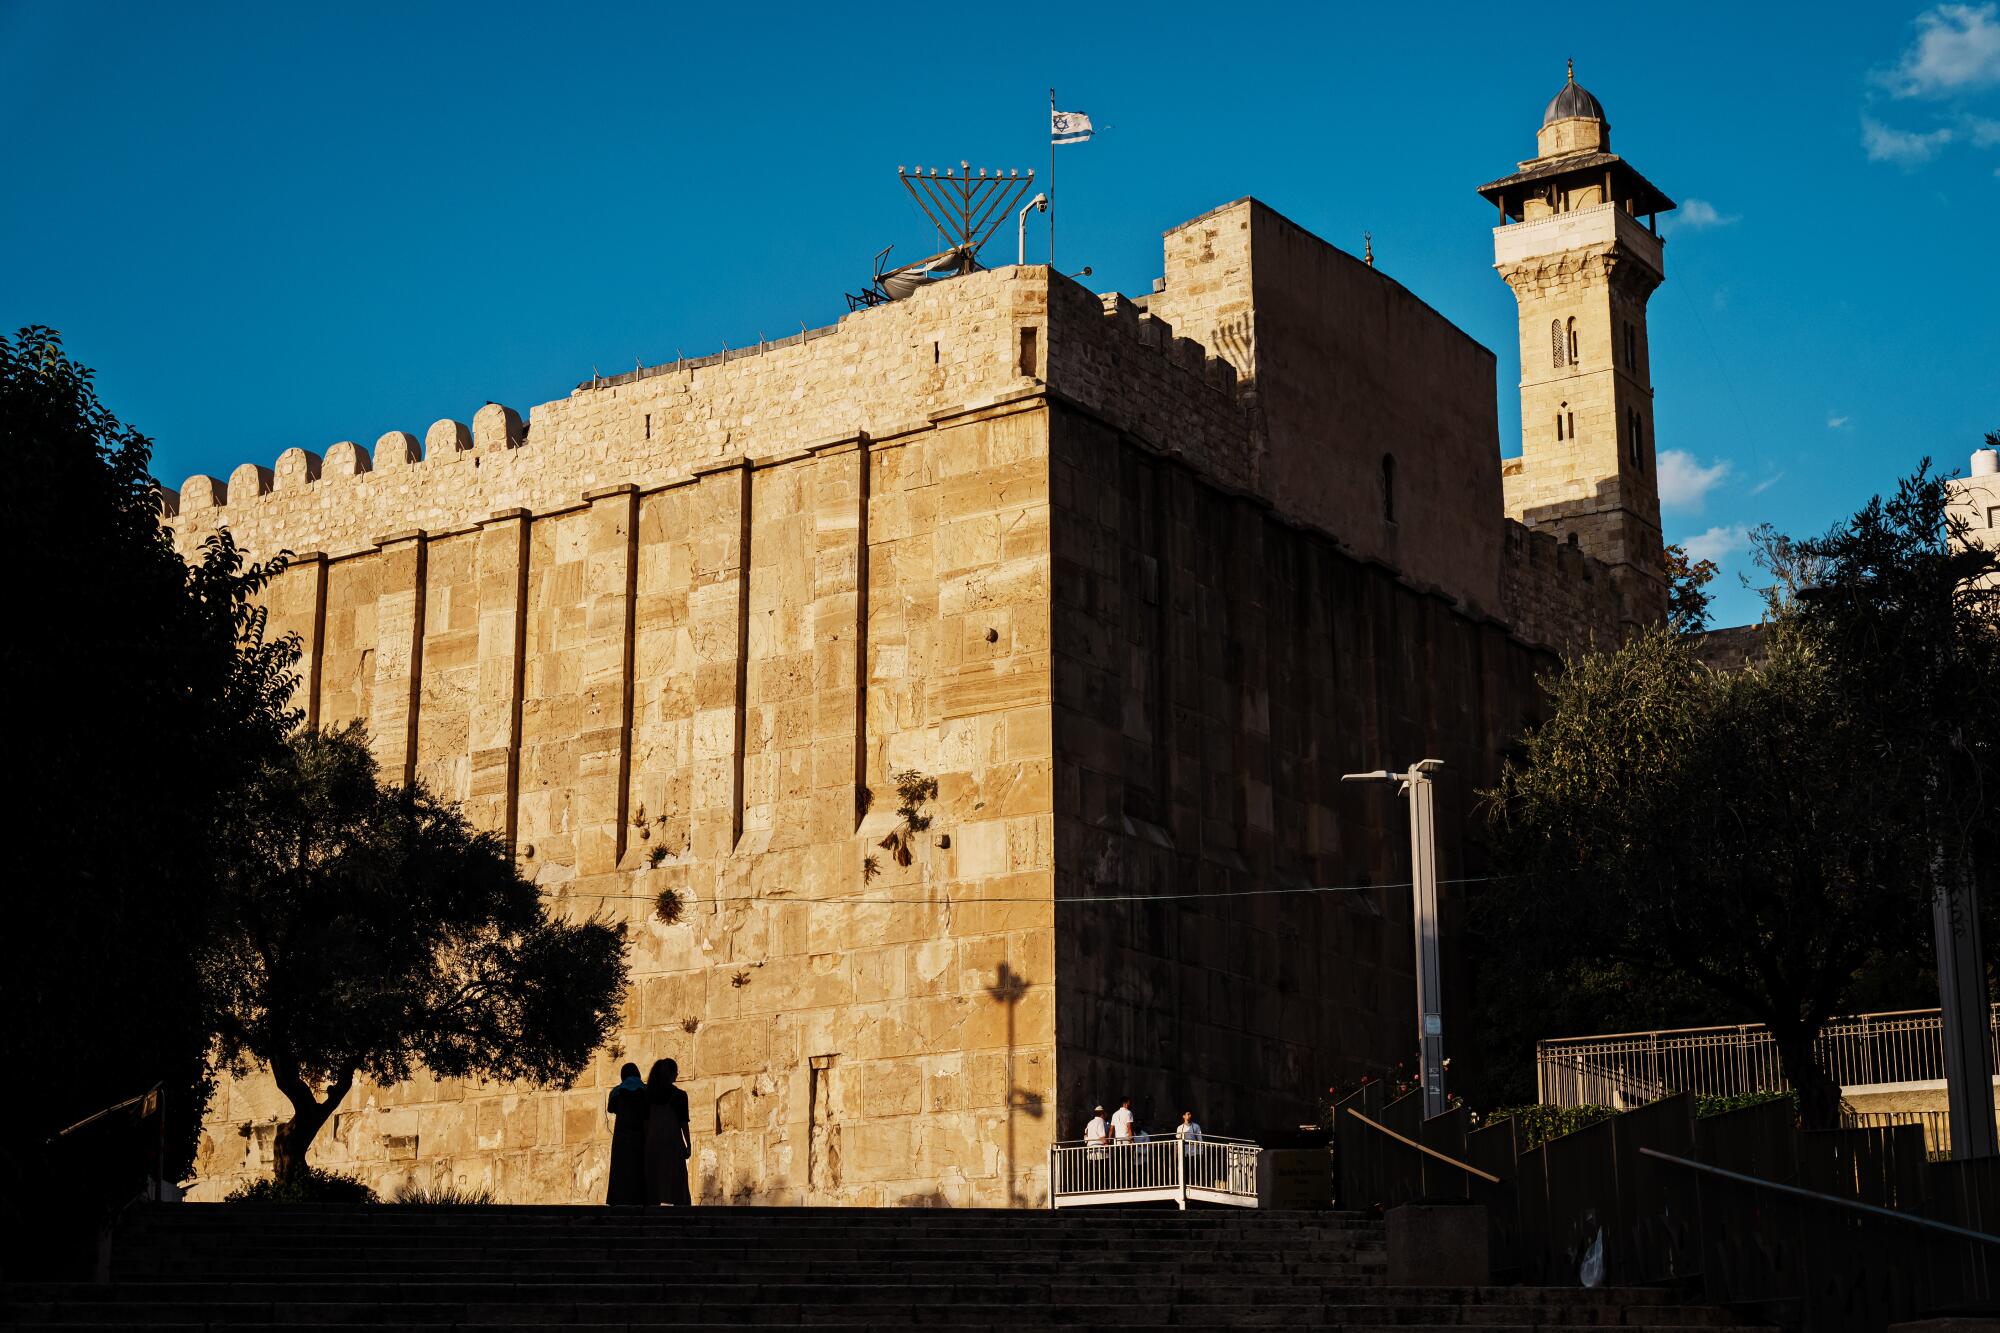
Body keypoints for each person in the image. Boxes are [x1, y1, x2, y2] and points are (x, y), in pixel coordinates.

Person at [643, 1058, 693, 1207]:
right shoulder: (680, 1096)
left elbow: (644, 1120)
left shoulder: (647, 1094)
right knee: (676, 1177)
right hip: (672, 1142)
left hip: (652, 1140)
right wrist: (688, 1143)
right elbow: (683, 1122)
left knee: (654, 1175)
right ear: (672, 1074)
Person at [604, 1062, 648, 1205]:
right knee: (640, 1168)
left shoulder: (617, 1091)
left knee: (621, 1169)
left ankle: (618, 1199)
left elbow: (611, 1108)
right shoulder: (645, 1090)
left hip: (622, 1135)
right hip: (640, 1135)